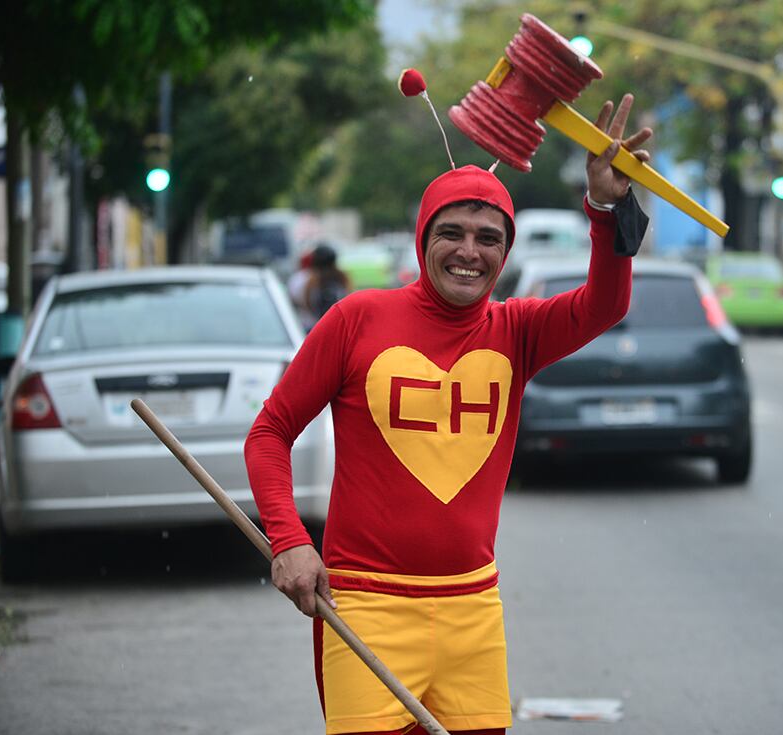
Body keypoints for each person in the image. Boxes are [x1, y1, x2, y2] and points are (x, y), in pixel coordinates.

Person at [244, 94, 651, 735]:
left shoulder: (518, 331)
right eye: (451, 234)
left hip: (472, 612)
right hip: (365, 609)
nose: (470, 252)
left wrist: (604, 209)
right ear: (423, 240)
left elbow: (604, 303)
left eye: (490, 238)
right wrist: (290, 541)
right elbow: (270, 434)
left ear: (507, 252)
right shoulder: (356, 319)